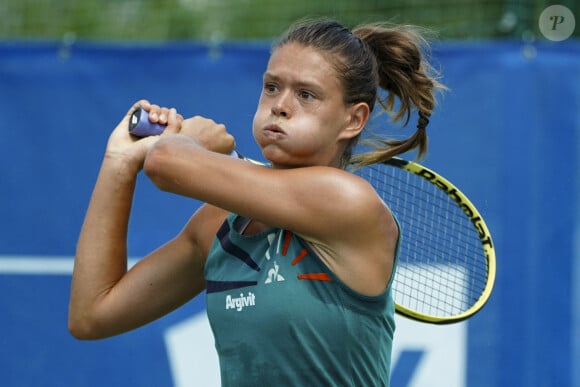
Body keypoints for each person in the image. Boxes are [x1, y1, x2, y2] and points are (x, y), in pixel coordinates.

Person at [69, 18, 444, 386]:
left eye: (306, 94)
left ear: (353, 119)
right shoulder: (216, 223)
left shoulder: (345, 201)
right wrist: (118, 163)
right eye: (271, 87)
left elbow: (167, 163)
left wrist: (192, 142)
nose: (280, 105)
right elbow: (92, 314)